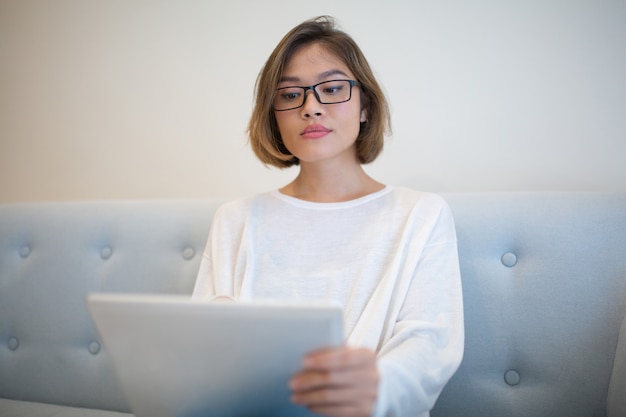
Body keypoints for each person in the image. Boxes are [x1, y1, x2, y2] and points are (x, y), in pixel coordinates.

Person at [193, 15, 464, 417]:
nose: (311, 108)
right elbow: (200, 346)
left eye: (333, 88)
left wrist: (371, 390)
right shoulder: (235, 219)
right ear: (274, 115)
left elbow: (428, 345)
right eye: (289, 95)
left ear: (365, 105)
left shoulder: (420, 214)